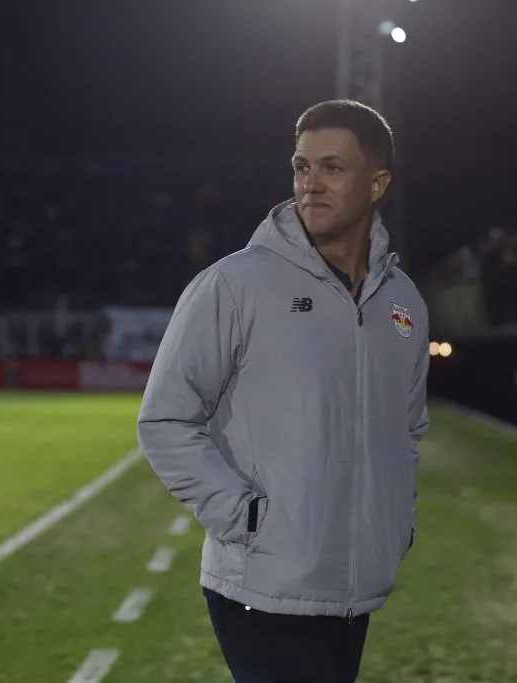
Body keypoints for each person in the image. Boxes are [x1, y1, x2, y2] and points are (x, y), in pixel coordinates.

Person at [137, 99, 430, 683]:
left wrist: (393, 522)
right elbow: (165, 421)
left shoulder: (405, 304)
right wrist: (245, 518)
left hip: (355, 589)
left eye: (332, 168)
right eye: (301, 167)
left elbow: (408, 429)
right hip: (263, 585)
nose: (310, 184)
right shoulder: (234, 283)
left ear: (378, 183)